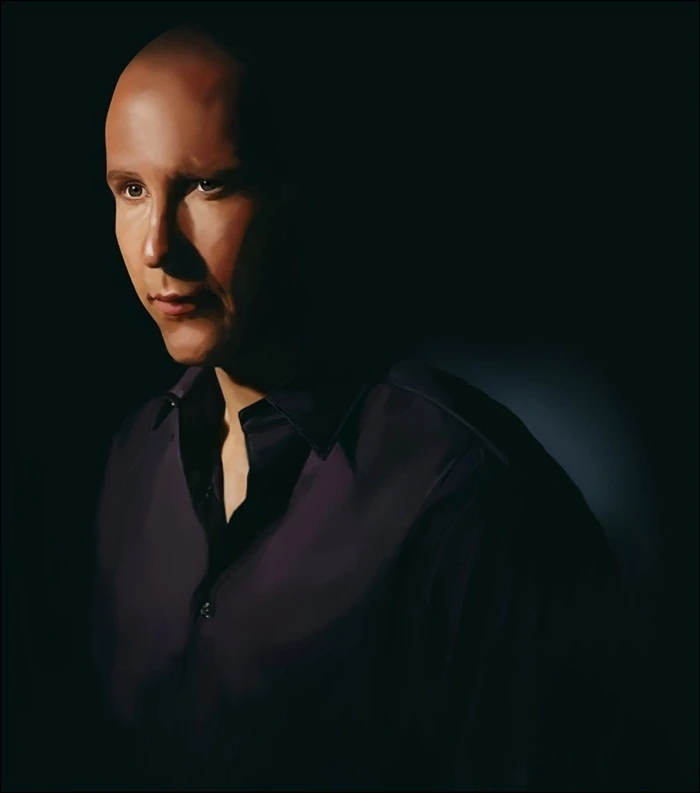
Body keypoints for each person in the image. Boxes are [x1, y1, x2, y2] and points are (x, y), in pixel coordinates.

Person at [91, 22, 624, 792]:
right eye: (131, 189)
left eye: (207, 184)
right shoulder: (133, 463)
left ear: (295, 190)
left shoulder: (467, 496)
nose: (155, 247)